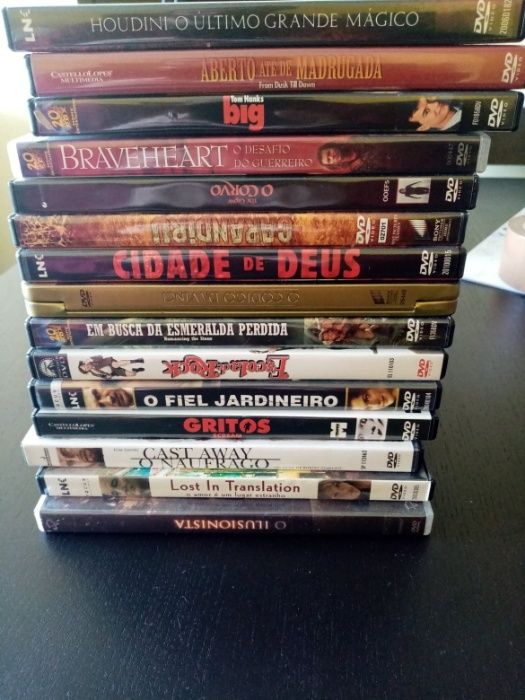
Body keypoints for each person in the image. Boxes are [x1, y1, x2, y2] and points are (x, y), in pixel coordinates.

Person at [78, 355, 145, 378]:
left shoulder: (91, 360)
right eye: (85, 369)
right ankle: (136, 370)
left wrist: (90, 359)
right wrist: (108, 376)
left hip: (109, 363)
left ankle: (137, 360)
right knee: (132, 374)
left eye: (84, 366)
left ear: (84, 363)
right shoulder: (94, 373)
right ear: (87, 371)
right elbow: (104, 376)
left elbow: (100, 357)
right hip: (114, 371)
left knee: (115, 365)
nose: (86, 367)